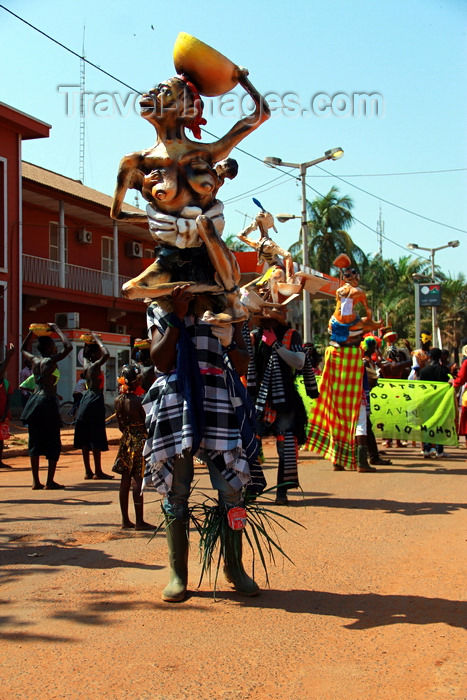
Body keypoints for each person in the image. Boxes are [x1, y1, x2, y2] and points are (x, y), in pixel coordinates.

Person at [111, 68, 270, 324]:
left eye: (162, 91)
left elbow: (261, 114)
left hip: (209, 252)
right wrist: (160, 220)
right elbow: (117, 214)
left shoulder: (207, 153)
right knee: (130, 291)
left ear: (185, 106)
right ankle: (207, 287)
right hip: (170, 256)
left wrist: (241, 78)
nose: (151, 94)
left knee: (204, 223)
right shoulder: (135, 162)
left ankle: (231, 301)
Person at [143, 285, 260, 602]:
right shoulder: (161, 305)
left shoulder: (228, 305)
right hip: (176, 400)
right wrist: (177, 317)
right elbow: (161, 360)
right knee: (176, 489)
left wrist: (229, 332)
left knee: (231, 489)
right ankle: (178, 574)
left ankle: (234, 570)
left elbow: (243, 363)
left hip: (218, 397)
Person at [252, 309, 319, 503]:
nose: (266, 322)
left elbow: (299, 362)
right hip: (259, 398)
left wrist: (275, 344)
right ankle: (251, 489)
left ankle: (282, 492)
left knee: (286, 444)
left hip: (286, 400)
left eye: (269, 318)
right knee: (250, 443)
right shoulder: (255, 336)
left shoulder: (292, 335)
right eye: (263, 319)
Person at [21, 324, 72, 489]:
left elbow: (23, 348)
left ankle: (36, 481)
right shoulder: (51, 360)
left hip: (34, 401)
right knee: (52, 441)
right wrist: (57, 329)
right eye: (52, 345)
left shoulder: (35, 360)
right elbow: (69, 347)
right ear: (48, 348)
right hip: (47, 401)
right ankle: (49, 481)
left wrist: (31, 332)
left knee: (34, 441)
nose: (55, 347)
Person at [112, 364, 154, 530]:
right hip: (139, 441)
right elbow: (147, 423)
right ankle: (139, 521)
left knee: (125, 479)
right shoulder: (141, 401)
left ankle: (125, 520)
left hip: (126, 440)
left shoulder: (118, 401)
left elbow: (121, 426)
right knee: (138, 478)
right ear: (137, 381)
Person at [74, 332, 114, 480]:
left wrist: (87, 341)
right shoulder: (96, 365)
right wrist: (97, 340)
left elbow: (85, 354)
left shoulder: (86, 363)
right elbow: (107, 354)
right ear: (95, 353)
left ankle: (88, 471)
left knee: (85, 438)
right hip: (95, 399)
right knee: (96, 436)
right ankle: (98, 470)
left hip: (85, 399)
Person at [419, 347, 451, 459]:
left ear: (430, 357)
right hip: (441, 401)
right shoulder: (445, 370)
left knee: (428, 424)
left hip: (427, 401)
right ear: (440, 356)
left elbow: (420, 387)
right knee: (440, 424)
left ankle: (426, 449)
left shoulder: (424, 371)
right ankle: (439, 450)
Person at [0, 343, 15, 469]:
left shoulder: (5, 383)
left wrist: (5, 415)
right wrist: (8, 357)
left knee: (1, 440)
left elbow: (9, 400)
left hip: (2, 415)